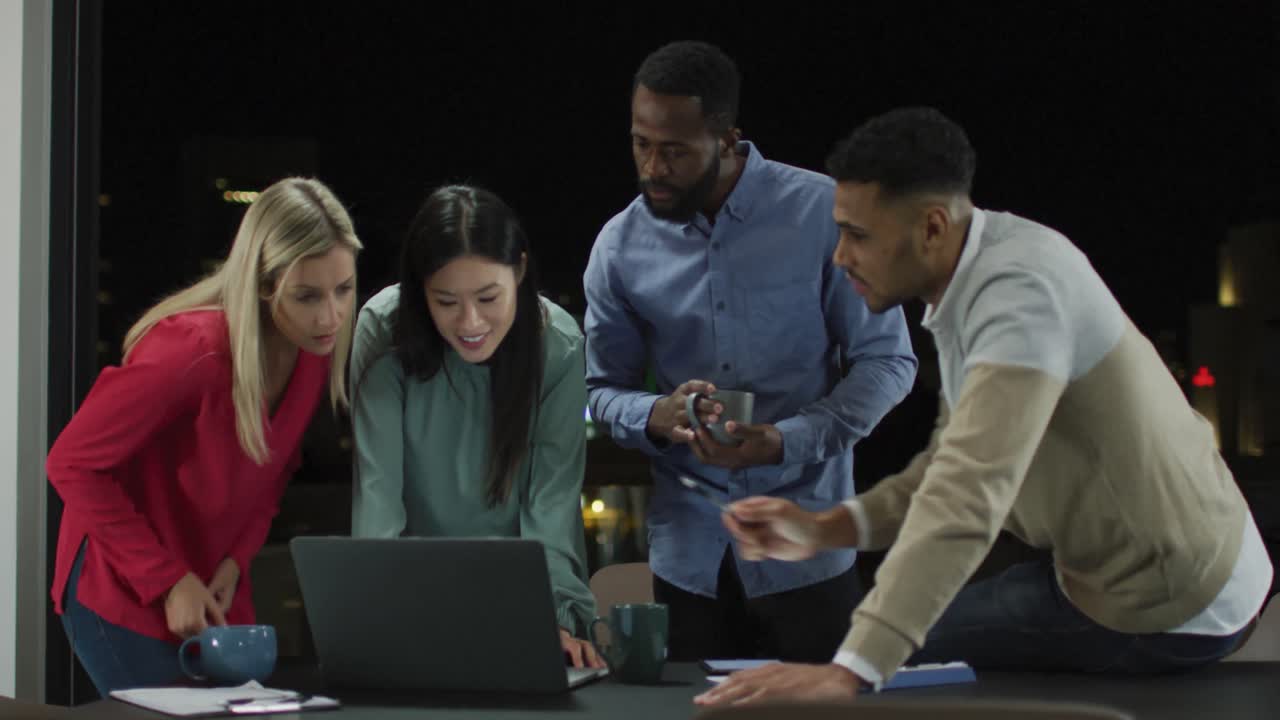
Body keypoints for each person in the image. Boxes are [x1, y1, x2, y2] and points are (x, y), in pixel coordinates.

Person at [695, 107, 1274, 706]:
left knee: (895, 662)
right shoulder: (979, 269)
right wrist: (824, 528)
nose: (840, 256)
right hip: (1150, 560)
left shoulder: (1019, 299)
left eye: (858, 234)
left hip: (1170, 601)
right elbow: (948, 464)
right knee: (894, 638)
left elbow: (968, 496)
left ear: (932, 227)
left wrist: (848, 675)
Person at [583, 41, 917, 663]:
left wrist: (787, 438)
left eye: (675, 150)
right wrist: (657, 415)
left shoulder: (822, 214)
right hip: (688, 563)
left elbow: (889, 361)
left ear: (729, 138)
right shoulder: (619, 247)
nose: (653, 167)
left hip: (809, 555)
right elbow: (600, 391)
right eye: (641, 144)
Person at [46, 177, 362, 695]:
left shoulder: (311, 353)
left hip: (212, 585)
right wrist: (166, 580)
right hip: (125, 586)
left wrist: (237, 558)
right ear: (263, 284)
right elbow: (70, 464)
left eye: (344, 289)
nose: (331, 316)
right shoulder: (189, 353)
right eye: (307, 296)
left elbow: (274, 471)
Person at [349, 185, 603, 669]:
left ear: (521, 270)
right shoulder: (384, 331)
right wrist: (378, 617)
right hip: (412, 597)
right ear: (421, 289)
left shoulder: (559, 346)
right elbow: (378, 496)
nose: (470, 322)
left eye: (489, 297)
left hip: (522, 600)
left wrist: (555, 617)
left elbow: (551, 503)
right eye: (445, 301)